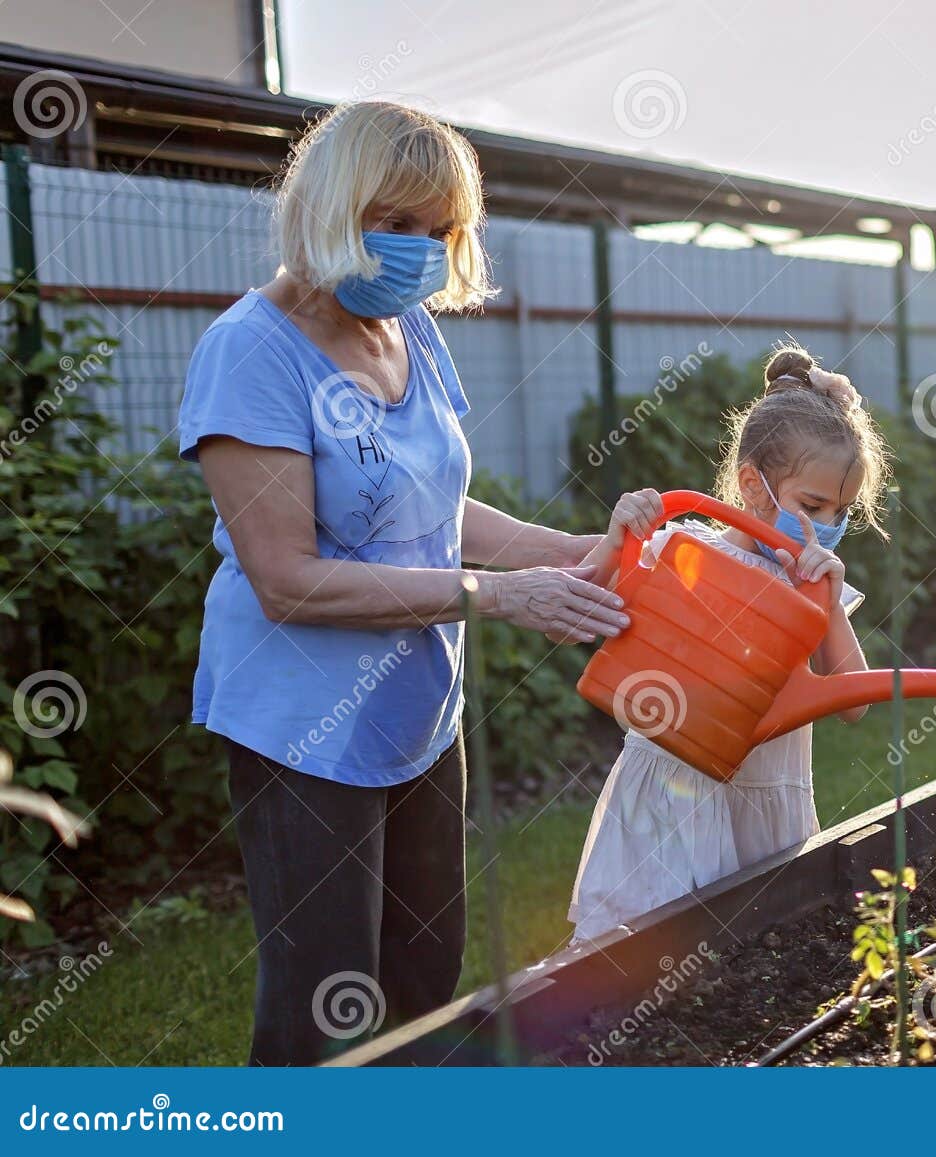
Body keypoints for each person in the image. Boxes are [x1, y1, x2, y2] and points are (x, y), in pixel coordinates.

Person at [177, 100, 641, 1064]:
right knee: (321, 1010)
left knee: (426, 981)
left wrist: (569, 549)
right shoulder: (251, 351)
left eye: (440, 230)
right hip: (303, 729)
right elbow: (287, 579)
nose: (420, 250)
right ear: (331, 205)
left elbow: (430, 508)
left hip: (418, 715)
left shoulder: (407, 330)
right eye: (395, 222)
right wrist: (491, 596)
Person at [567, 344, 893, 941]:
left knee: (751, 963)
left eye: (842, 510)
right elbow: (586, 600)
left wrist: (827, 604)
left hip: (766, 803)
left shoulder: (811, 589)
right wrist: (619, 538)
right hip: (671, 798)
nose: (828, 524)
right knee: (645, 956)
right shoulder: (685, 554)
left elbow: (855, 703)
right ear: (753, 485)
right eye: (813, 506)